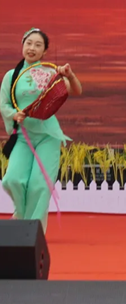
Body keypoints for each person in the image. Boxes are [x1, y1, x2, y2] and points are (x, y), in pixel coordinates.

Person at [0, 28, 82, 230]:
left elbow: (76, 91)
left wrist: (70, 75)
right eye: (28, 43)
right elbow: (4, 104)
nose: (32, 48)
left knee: (40, 184)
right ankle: (21, 214)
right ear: (22, 46)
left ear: (44, 51)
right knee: (12, 180)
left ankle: (33, 229)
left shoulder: (50, 73)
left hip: (48, 135)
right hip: (23, 136)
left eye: (38, 45)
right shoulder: (11, 76)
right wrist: (14, 115)